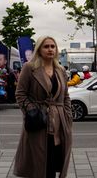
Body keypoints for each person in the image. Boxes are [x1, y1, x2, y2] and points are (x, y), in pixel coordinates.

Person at [14, 36, 72, 178]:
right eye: (46, 46)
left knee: (54, 159)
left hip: (59, 122)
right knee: (40, 162)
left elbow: (65, 96)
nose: (50, 49)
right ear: (39, 49)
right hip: (39, 121)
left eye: (53, 46)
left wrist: (68, 115)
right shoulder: (29, 67)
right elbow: (20, 94)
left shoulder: (60, 70)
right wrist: (32, 110)